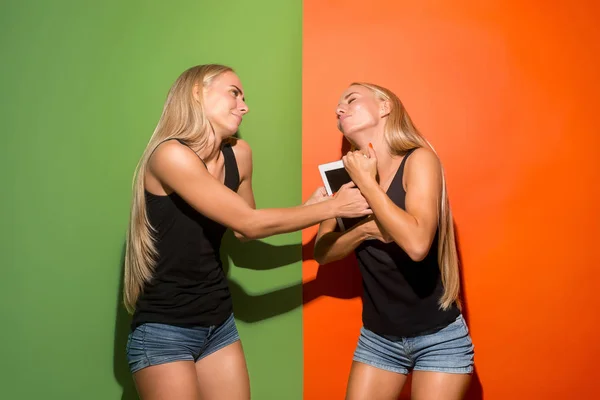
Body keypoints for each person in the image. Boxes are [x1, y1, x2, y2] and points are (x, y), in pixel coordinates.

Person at [123, 64, 371, 400]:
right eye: (234, 93)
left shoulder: (239, 154)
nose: (244, 106)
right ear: (198, 92)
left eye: (244, 98)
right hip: (164, 329)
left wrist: (310, 206)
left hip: (218, 322)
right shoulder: (170, 156)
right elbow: (247, 223)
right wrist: (333, 208)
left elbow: (245, 228)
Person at [314, 82, 475, 400]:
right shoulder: (340, 176)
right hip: (378, 339)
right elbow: (322, 251)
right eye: (338, 107)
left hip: (439, 338)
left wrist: (366, 184)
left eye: (351, 99)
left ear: (385, 106)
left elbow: (416, 245)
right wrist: (363, 230)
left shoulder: (419, 159)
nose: (340, 109)